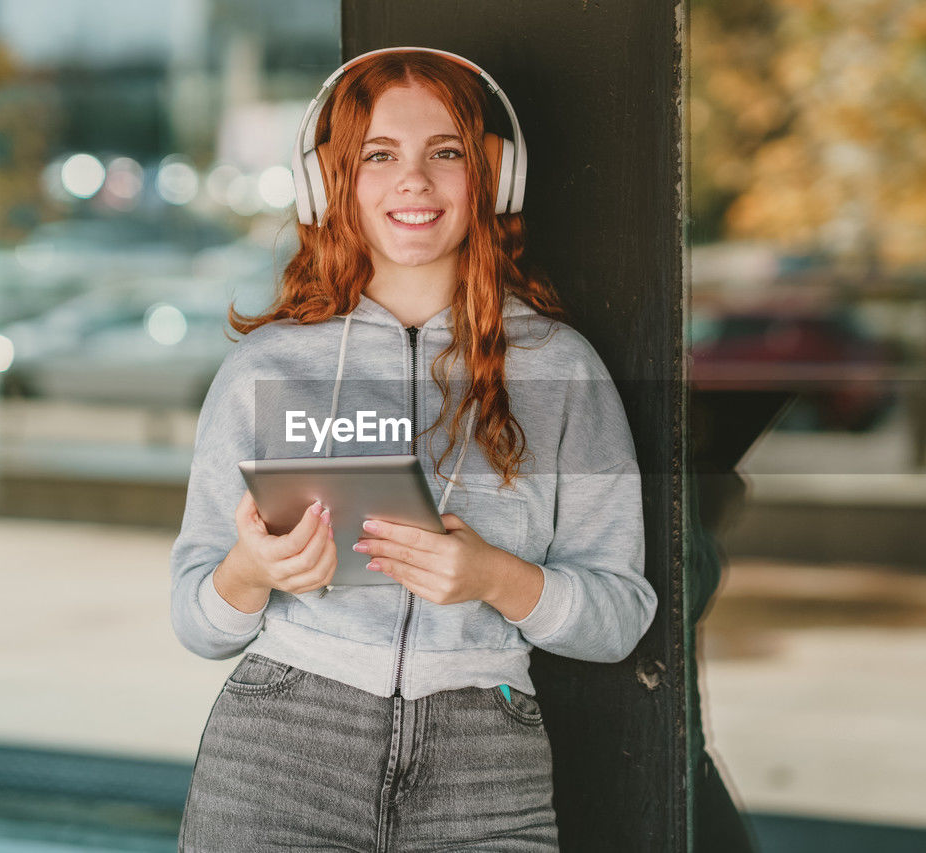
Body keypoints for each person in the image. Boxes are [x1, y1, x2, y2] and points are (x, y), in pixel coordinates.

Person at [170, 47, 657, 852]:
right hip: (279, 751)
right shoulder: (264, 370)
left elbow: (619, 619)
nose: (414, 182)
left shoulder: (564, 371)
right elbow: (199, 621)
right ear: (330, 183)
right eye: (380, 155)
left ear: (494, 178)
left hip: (485, 762)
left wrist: (497, 578)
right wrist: (251, 572)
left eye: (447, 152)